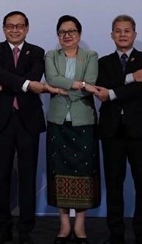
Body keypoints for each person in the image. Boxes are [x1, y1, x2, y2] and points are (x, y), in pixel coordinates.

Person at [0, 11, 46, 244]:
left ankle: (26, 229)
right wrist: (27, 84)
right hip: (1, 119)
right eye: (10, 26)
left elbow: (34, 74)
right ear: (3, 29)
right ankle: (3, 227)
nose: (15, 30)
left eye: (20, 26)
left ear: (27, 29)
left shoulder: (38, 52)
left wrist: (17, 82)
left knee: (28, 176)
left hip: (28, 119)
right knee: (0, 175)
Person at [94, 15, 142, 244]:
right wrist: (130, 77)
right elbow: (101, 85)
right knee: (113, 183)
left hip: (140, 132)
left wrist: (112, 92)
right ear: (112, 35)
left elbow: (140, 89)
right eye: (118, 31)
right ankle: (115, 232)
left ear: (134, 34)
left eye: (127, 31)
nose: (122, 34)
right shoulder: (103, 62)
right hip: (111, 131)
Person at [44, 15, 100, 244]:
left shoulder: (91, 56)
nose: (67, 35)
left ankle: (80, 225)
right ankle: (64, 225)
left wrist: (62, 88)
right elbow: (51, 77)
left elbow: (91, 83)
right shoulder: (51, 55)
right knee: (59, 172)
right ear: (58, 36)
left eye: (72, 31)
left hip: (83, 121)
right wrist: (79, 85)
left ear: (79, 34)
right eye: (62, 32)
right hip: (58, 122)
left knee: (84, 174)